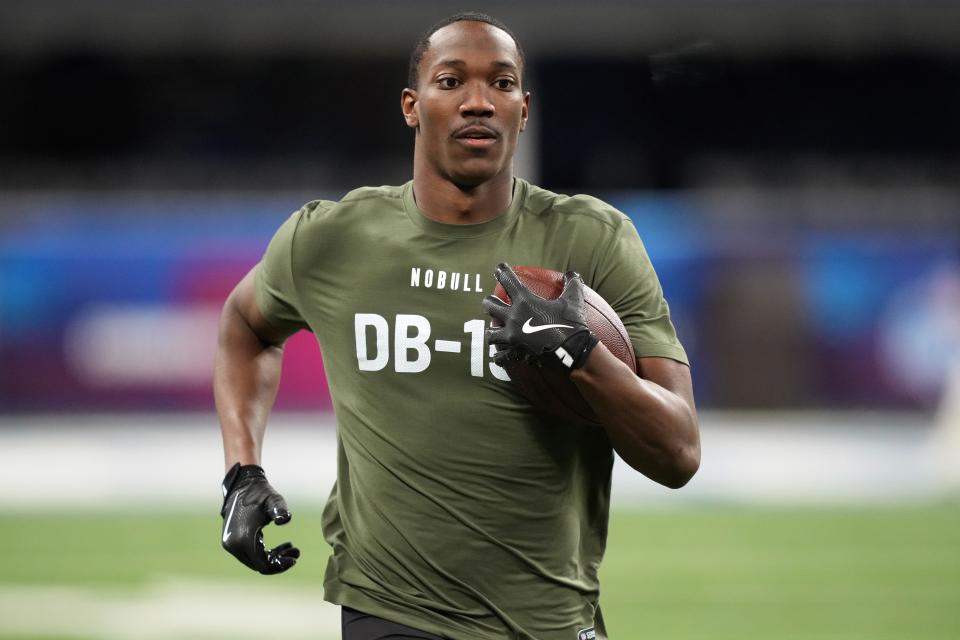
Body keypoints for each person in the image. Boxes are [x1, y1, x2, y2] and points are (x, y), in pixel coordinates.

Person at [214, 11, 700, 640]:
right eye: (451, 81)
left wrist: (582, 354)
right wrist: (241, 473)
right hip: (388, 608)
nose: (478, 101)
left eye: (501, 84)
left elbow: (680, 452)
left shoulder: (592, 241)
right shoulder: (332, 238)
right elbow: (245, 325)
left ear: (524, 110)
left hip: (551, 618)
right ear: (412, 106)